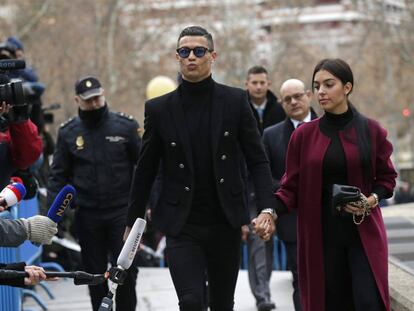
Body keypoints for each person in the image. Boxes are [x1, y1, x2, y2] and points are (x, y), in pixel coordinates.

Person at [125, 26, 276, 311]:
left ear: (212, 55)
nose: (191, 57)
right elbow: (145, 169)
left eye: (199, 51)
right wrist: (132, 222)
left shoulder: (235, 101)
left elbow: (257, 159)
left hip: (225, 221)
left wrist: (268, 208)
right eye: (184, 51)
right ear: (177, 57)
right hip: (181, 224)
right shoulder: (159, 109)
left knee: (221, 303)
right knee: (191, 301)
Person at [264, 58, 397, 311]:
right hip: (320, 235)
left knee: (369, 301)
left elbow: (387, 179)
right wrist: (270, 212)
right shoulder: (303, 136)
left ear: (347, 87)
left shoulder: (371, 131)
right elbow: (290, 187)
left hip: (363, 234)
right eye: (317, 86)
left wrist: (371, 201)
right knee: (330, 303)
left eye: (329, 84)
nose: (321, 92)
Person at [47, 76, 142, 311]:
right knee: (93, 274)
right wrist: (53, 216)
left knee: (126, 272)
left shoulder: (125, 127)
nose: (95, 104)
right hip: (88, 215)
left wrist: (145, 205)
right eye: (89, 100)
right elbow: (58, 175)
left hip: (121, 212)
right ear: (77, 100)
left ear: (104, 94)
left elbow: (144, 168)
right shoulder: (68, 132)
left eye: (98, 98)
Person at [263, 79, 317, 311]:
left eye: (298, 96)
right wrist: (295, 186)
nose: (294, 102)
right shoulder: (270, 135)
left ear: (308, 95)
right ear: (281, 103)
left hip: (330, 218)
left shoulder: (331, 126)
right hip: (291, 220)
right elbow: (265, 178)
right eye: (287, 99)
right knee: (301, 278)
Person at [243, 65, 285, 311]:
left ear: (268, 83)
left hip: (276, 185)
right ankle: (262, 295)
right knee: (258, 241)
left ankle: (264, 289)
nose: (258, 86)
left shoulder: (280, 109)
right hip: (247, 188)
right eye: (254, 82)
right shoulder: (238, 107)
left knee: (269, 243)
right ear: (247, 83)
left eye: (262, 82)